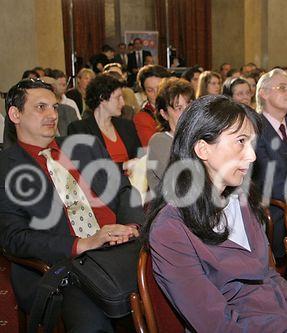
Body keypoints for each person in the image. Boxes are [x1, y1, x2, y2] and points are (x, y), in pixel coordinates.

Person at [144, 95, 287, 332]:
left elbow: (270, 279)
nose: (252, 155)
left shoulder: (240, 200)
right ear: (203, 149)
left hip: (284, 321)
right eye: (240, 141)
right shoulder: (171, 229)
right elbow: (220, 327)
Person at [0, 78, 143, 332]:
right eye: (41, 107)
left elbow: (123, 190)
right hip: (63, 267)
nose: (52, 115)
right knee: (91, 319)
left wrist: (130, 225)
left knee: (175, 281)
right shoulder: (6, 168)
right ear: (15, 114)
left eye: (54, 107)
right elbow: (14, 238)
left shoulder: (83, 146)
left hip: (119, 246)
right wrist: (82, 244)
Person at [252, 68, 287, 263]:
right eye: (282, 88)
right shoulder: (256, 129)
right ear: (263, 93)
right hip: (279, 212)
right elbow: (269, 182)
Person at [68, 74, 142, 171]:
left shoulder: (126, 125)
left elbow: (140, 157)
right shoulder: (79, 129)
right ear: (102, 98)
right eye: (118, 98)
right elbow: (87, 168)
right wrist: (123, 165)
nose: (123, 103)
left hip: (131, 183)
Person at [147, 77, 194, 192]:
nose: (187, 111)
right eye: (179, 108)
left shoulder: (198, 137)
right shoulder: (159, 141)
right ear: (164, 114)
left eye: (189, 105)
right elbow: (182, 182)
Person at [133, 65, 171, 146]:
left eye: (160, 88)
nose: (156, 94)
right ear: (144, 92)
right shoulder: (142, 118)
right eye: (150, 90)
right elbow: (154, 149)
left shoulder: (177, 109)